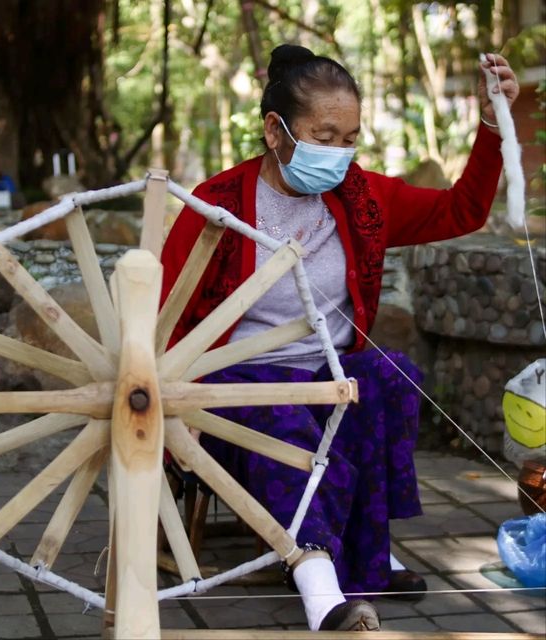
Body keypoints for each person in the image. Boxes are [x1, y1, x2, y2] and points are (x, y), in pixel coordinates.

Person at [160, 45, 519, 632]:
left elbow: (462, 212)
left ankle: (370, 554)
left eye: (350, 137)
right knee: (283, 409)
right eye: (324, 136)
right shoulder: (219, 206)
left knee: (388, 375)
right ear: (275, 131)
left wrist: (489, 124)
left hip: (327, 374)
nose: (339, 153)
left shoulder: (362, 198)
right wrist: (175, 407)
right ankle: (319, 584)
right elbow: (165, 314)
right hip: (234, 384)